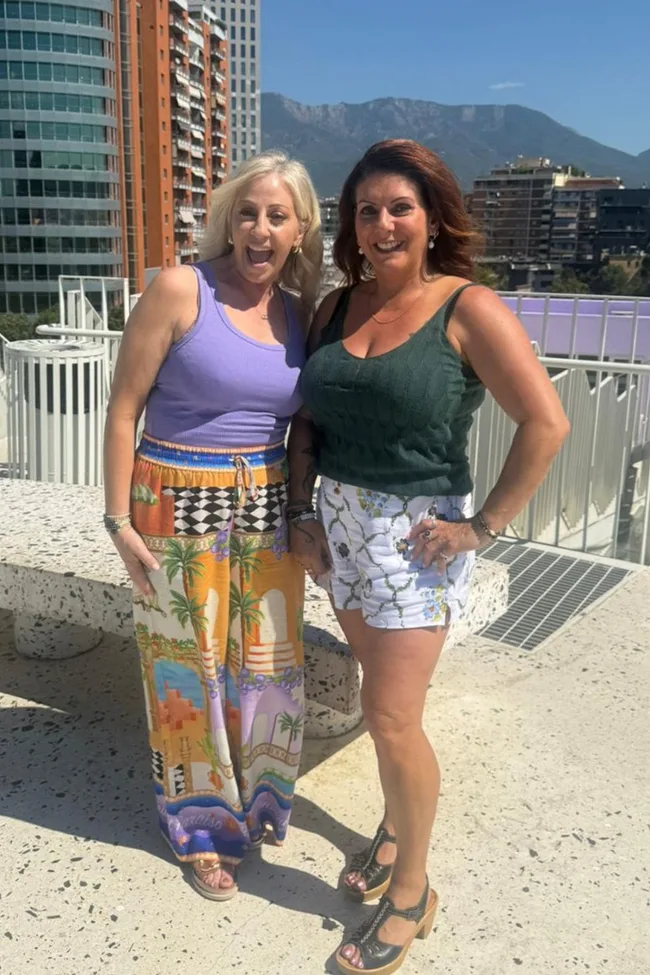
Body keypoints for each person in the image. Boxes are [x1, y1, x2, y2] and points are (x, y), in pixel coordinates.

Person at [290, 139, 569, 973]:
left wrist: (482, 527)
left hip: (417, 543)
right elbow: (307, 418)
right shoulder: (335, 308)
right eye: (366, 210)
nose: (382, 224)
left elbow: (546, 422)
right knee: (386, 704)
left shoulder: (467, 307)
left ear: (433, 219)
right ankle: (393, 825)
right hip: (340, 532)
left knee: (391, 715)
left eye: (399, 208)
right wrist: (302, 511)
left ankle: (412, 892)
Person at [103, 151, 322, 901]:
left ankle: (256, 805)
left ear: (299, 230)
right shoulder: (179, 289)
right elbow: (124, 409)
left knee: (267, 669)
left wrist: (303, 509)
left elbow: (301, 425)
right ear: (229, 221)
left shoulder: (300, 312)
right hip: (174, 503)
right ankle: (199, 826)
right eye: (248, 213)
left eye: (277, 216)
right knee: (186, 673)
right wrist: (117, 520)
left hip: (265, 508)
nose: (260, 229)